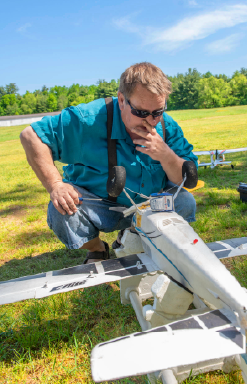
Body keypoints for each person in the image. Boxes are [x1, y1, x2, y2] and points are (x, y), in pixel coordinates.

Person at [20, 62, 198, 263]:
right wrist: (56, 185)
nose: (150, 121)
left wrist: (166, 155)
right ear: (122, 99)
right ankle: (97, 249)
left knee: (185, 202)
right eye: (140, 112)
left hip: (150, 205)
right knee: (62, 211)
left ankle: (133, 234)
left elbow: (186, 180)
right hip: (98, 204)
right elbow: (31, 136)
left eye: (157, 112)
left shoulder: (167, 126)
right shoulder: (88, 119)